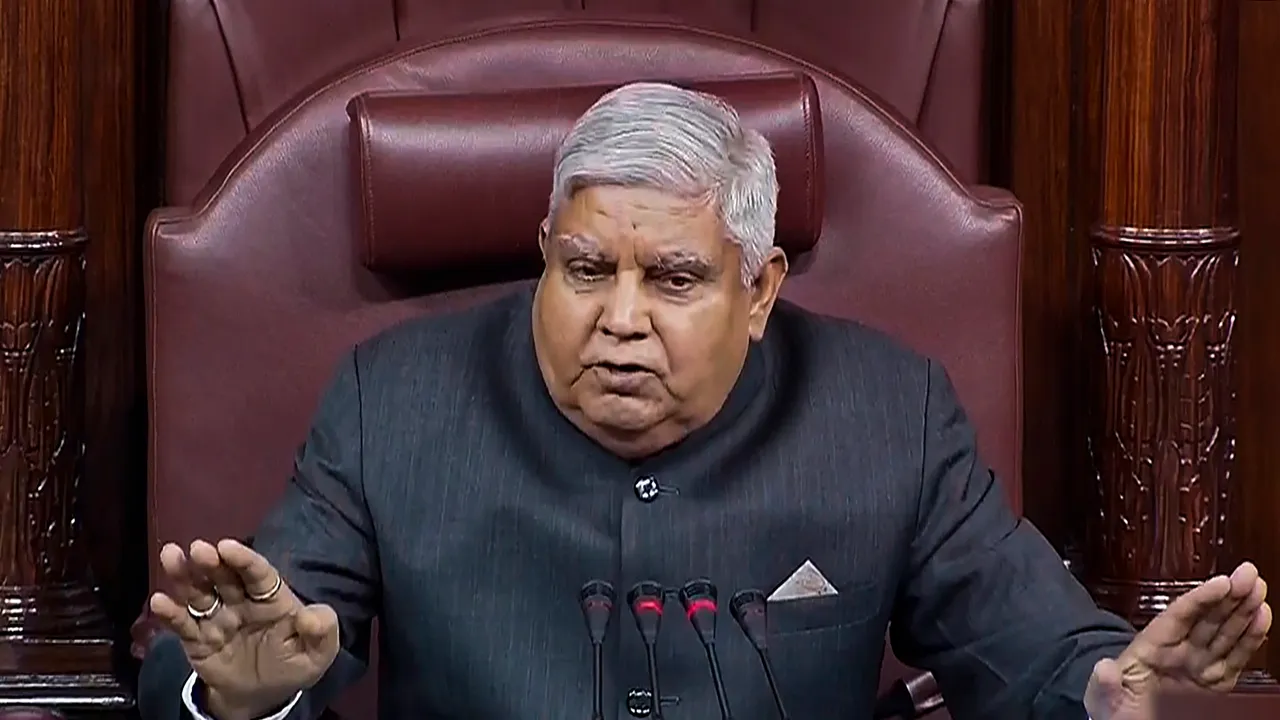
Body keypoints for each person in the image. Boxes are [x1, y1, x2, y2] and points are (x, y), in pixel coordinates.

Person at [136, 82, 1270, 720]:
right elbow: (245, 646)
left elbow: (1032, 647)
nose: (619, 317)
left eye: (672, 278)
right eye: (584, 269)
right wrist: (229, 699)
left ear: (759, 287)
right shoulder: (396, 404)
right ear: (542, 253)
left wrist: (1111, 688)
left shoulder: (884, 414)